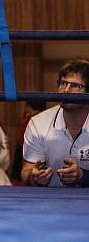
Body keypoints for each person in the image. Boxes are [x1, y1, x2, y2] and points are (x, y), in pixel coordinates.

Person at [22, 59, 89, 187]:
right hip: (50, 204)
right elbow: (26, 171)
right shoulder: (38, 124)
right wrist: (34, 177)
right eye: (63, 83)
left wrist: (83, 176)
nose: (66, 90)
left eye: (75, 86)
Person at [11, 99, 46, 184]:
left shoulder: (30, 121)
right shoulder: (47, 119)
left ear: (28, 106)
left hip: (28, 165)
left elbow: (22, 146)